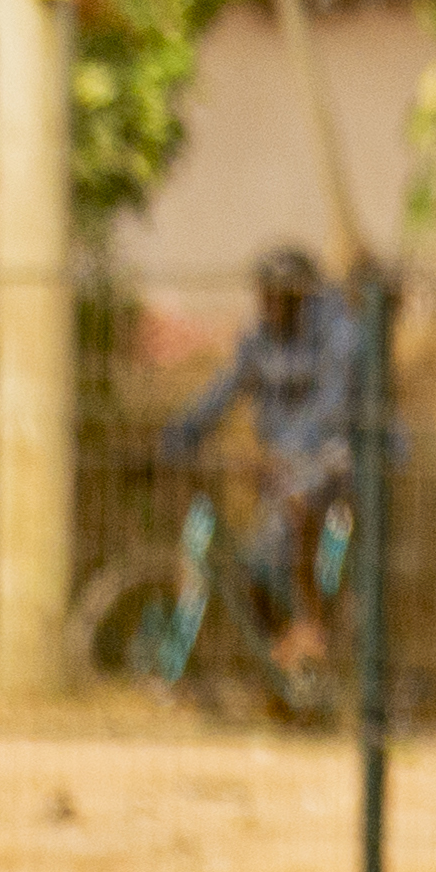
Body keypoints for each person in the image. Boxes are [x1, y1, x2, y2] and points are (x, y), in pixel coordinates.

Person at [163, 248, 367, 671]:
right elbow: (221, 392)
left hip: (334, 459)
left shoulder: (338, 336)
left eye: (281, 297)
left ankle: (312, 625)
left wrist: (288, 454)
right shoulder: (258, 342)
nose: (270, 305)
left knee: (298, 509)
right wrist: (181, 435)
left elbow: (332, 409)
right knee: (256, 562)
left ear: (302, 298)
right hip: (281, 467)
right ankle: (283, 656)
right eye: (265, 295)